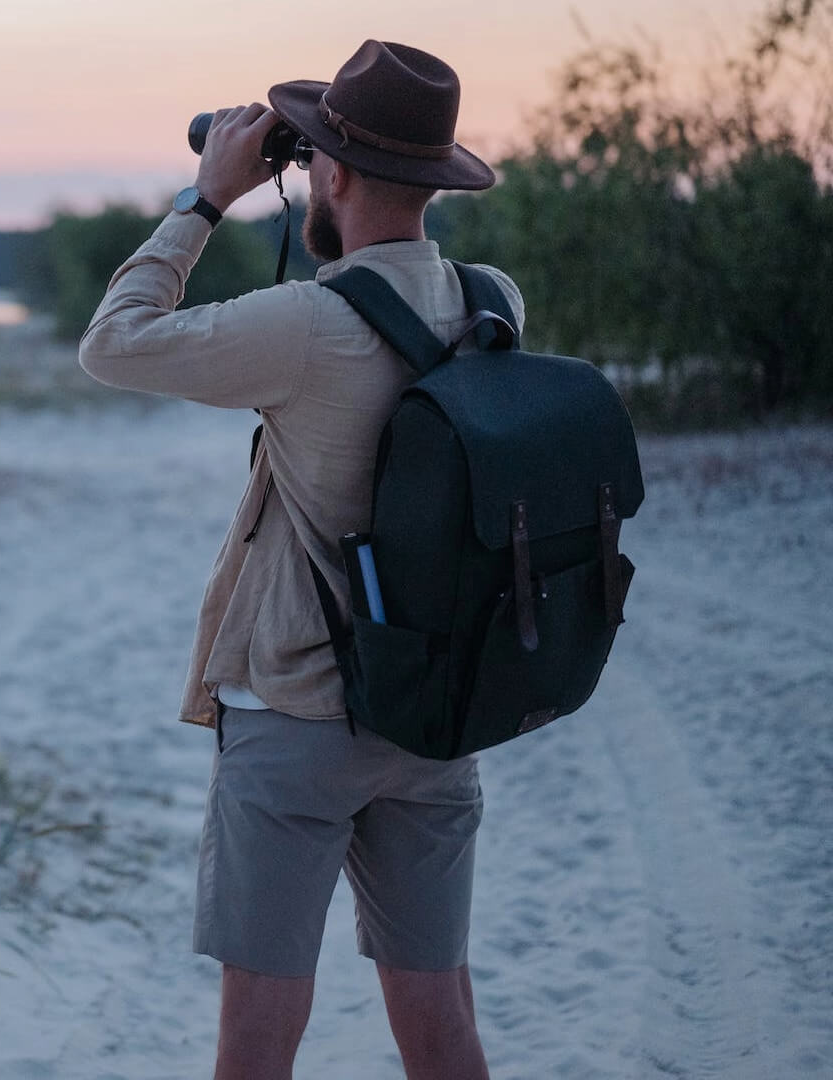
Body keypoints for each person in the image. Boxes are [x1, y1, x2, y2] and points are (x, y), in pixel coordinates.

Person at [77, 40, 520, 1080]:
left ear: (332, 173)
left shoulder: (308, 326)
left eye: (318, 153)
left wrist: (205, 199)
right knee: (441, 1024)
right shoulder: (492, 303)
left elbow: (113, 341)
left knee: (258, 1044)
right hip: (434, 712)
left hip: (297, 718)